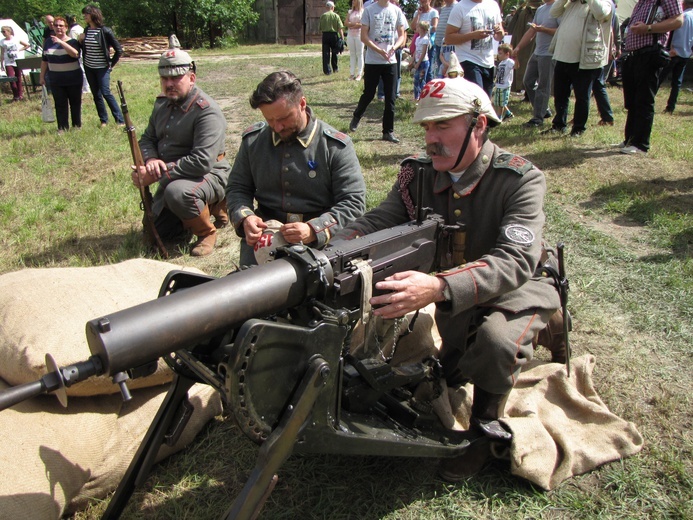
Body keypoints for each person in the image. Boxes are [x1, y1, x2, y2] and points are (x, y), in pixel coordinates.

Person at [333, 77, 560, 480]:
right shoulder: (417, 174)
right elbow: (384, 218)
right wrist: (339, 244)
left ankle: (483, 436)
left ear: (479, 126)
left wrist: (437, 287)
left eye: (442, 125)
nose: (430, 139)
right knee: (452, 371)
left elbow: (514, 260)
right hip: (458, 295)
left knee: (494, 344)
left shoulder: (519, 179)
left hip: (518, 284)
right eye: (426, 127)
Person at [226, 71, 367, 266]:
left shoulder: (334, 146)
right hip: (264, 238)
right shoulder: (254, 141)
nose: (277, 127)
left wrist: (314, 229)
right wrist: (245, 217)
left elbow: (353, 202)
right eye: (270, 120)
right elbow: (237, 188)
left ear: (302, 104)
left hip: (320, 243)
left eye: (284, 118)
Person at [133, 49, 230, 257]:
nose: (169, 84)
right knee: (159, 232)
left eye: (176, 78)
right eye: (164, 78)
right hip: (175, 175)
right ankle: (204, 208)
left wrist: (158, 173)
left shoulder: (207, 111)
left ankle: (207, 231)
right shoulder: (162, 104)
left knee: (178, 193)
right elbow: (147, 138)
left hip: (209, 173)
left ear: (191, 78)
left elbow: (201, 162)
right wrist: (150, 161)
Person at [619, 0, 682, 154]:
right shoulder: (642, 2)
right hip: (633, 55)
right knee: (632, 100)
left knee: (644, 100)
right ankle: (630, 139)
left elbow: (678, 20)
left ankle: (641, 144)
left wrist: (648, 28)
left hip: (649, 53)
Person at [543, 0, 612, 137]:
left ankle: (579, 128)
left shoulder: (603, 3)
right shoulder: (571, 4)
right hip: (563, 56)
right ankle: (559, 124)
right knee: (560, 94)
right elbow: (554, 12)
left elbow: (601, 13)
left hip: (584, 59)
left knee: (582, 96)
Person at [349, 0, 407, 143]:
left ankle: (388, 131)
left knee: (391, 97)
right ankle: (357, 116)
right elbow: (364, 36)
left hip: (391, 61)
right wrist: (378, 50)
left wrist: (394, 47)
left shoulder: (396, 11)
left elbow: (402, 35)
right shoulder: (369, 10)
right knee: (369, 93)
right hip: (373, 60)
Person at [511, 0, 560, 128]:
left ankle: (538, 118)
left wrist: (543, 29)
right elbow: (531, 32)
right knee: (528, 82)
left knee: (543, 86)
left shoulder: (558, 8)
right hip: (537, 52)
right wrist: (518, 48)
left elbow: (560, 31)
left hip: (549, 54)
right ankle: (544, 110)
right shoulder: (541, 9)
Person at [444, 0, 505, 96]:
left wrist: (500, 32)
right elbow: (448, 38)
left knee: (485, 103)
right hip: (468, 60)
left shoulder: (493, 5)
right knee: (477, 100)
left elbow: (499, 34)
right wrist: (472, 35)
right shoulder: (460, 7)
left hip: (488, 62)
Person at [80, 4, 125, 127]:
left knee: (106, 92)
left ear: (94, 14)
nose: (84, 16)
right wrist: (80, 40)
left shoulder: (105, 31)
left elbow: (119, 50)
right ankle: (103, 120)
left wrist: (111, 64)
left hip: (102, 68)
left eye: (87, 13)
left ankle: (120, 120)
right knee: (96, 95)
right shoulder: (86, 30)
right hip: (89, 67)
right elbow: (84, 48)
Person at [39, 17, 82, 133]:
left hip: (73, 78)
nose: (58, 28)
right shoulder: (48, 42)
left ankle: (76, 126)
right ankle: (62, 127)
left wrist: (61, 42)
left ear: (66, 28)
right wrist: (42, 76)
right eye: (56, 25)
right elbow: (44, 60)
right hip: (56, 79)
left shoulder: (73, 42)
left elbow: (75, 54)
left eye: (61, 26)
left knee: (75, 103)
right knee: (60, 103)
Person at [658, 0, 693, 114]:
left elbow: (675, 33)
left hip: (675, 52)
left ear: (685, 4)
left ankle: (647, 100)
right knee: (677, 82)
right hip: (686, 53)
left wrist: (671, 47)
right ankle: (671, 107)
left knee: (659, 77)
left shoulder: (684, 16)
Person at [0, 26, 30, 102]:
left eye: (4, 31)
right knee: (11, 78)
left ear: (9, 31)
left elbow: (27, 45)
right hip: (8, 61)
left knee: (18, 78)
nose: (3, 33)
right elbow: (2, 53)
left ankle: (20, 95)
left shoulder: (16, 39)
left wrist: (19, 50)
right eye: (2, 32)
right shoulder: (2, 41)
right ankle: (15, 96)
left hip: (17, 60)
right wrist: (1, 64)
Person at [413, 0, 439, 82]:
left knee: (429, 66)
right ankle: (420, 87)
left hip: (428, 42)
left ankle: (429, 87)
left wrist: (424, 28)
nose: (422, 1)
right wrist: (418, 14)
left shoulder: (434, 12)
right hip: (419, 41)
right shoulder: (417, 12)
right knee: (419, 66)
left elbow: (434, 27)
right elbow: (413, 27)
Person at [433, 0, 458, 77]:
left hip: (449, 46)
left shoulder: (457, 7)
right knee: (440, 70)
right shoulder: (443, 9)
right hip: (439, 44)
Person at [66, 14, 90, 94]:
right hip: (83, 51)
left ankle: (86, 88)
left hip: (79, 52)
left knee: (82, 70)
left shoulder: (73, 30)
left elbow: (73, 43)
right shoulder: (79, 27)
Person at [319, 1, 345, 75]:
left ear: (326, 7)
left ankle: (327, 70)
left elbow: (320, 28)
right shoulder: (336, 16)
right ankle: (335, 68)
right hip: (334, 35)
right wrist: (342, 38)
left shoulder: (323, 16)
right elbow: (340, 28)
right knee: (335, 52)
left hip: (325, 35)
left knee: (325, 53)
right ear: (332, 7)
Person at [409, 21, 431, 101]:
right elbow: (416, 50)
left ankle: (423, 97)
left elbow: (423, 52)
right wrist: (413, 60)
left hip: (423, 63)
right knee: (416, 79)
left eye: (418, 27)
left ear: (422, 29)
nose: (416, 28)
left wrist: (418, 63)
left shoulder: (425, 40)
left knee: (422, 80)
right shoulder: (418, 39)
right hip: (417, 61)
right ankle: (416, 96)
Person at [493, 43, 515, 121]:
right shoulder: (501, 63)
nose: (498, 55)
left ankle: (499, 117)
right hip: (499, 85)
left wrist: (516, 57)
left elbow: (516, 66)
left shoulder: (509, 62)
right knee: (497, 102)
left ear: (507, 54)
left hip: (505, 85)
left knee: (501, 104)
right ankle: (508, 114)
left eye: (500, 53)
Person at [346, 0, 365, 80]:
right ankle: (352, 73)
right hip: (350, 35)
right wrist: (355, 24)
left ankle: (359, 74)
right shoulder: (350, 12)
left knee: (360, 54)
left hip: (359, 35)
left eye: (354, 0)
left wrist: (352, 24)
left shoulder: (363, 12)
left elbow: (362, 24)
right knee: (352, 54)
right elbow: (346, 22)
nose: (353, 2)